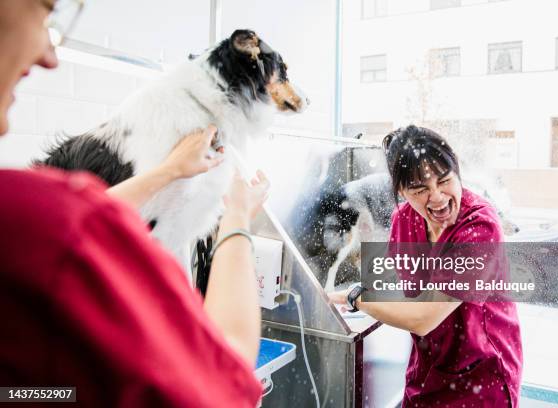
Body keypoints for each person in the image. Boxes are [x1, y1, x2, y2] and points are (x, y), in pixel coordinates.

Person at [0, 0, 267, 406]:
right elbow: (222, 382)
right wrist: (237, 215)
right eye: (44, 12)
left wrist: (169, 172)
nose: (50, 56)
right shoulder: (37, 229)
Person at [329, 125, 523, 407]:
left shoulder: (480, 227)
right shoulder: (404, 221)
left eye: (445, 180)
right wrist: (336, 297)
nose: (437, 197)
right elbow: (392, 287)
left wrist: (355, 297)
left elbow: (424, 316)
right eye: (420, 189)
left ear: (458, 173)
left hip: (482, 376)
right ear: (402, 191)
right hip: (427, 372)